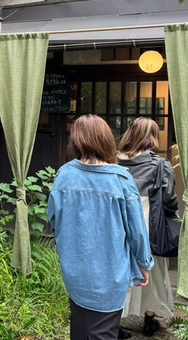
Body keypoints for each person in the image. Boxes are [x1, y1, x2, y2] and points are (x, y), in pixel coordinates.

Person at [48, 115, 154, 340]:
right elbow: (137, 230)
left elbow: (54, 220)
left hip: (74, 272)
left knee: (80, 328)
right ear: (106, 139)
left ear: (76, 141)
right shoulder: (121, 179)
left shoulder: (64, 175)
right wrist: (144, 263)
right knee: (103, 332)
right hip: (109, 275)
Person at [118, 118, 177, 337]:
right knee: (153, 270)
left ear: (130, 134)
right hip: (149, 227)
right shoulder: (160, 165)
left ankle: (113, 321)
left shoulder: (114, 162)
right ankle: (149, 320)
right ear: (154, 136)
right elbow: (170, 199)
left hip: (119, 223)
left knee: (118, 270)